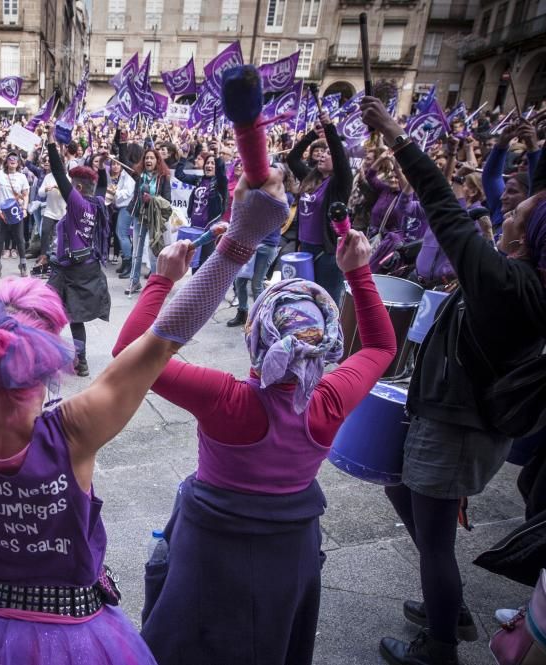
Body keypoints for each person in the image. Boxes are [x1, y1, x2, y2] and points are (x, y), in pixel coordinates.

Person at [0, 81, 216, 665]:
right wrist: (236, 245)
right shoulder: (70, 431)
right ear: (49, 352)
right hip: (67, 635)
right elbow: (160, 343)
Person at [114, 67, 396, 665]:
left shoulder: (232, 403)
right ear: (321, 347)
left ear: (254, 337)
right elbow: (379, 349)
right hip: (290, 551)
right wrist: (360, 273)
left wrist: (163, 279)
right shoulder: (327, 401)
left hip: (209, 548)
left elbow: (128, 358)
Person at [360, 96, 546, 665]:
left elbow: (442, 206)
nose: (504, 209)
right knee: (398, 484)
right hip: (456, 417)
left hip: (459, 427)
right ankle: (450, 605)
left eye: (516, 211)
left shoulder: (507, 283)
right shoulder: (517, 274)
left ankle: (441, 642)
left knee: (435, 541)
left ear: (525, 236)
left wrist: (397, 135)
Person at [43, 126, 111, 378]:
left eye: (72, 186)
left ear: (78, 190)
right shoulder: (98, 204)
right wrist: (101, 166)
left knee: (43, 309)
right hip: (88, 267)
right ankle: (81, 362)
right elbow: (102, 186)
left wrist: (51, 143)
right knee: (75, 318)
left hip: (68, 270)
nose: (67, 188)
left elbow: (58, 173)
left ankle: (39, 354)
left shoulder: (78, 203)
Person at [285, 112, 353, 304]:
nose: (323, 154)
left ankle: (330, 335)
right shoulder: (310, 177)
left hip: (327, 254)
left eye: (329, 153)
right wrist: (312, 135)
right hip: (305, 249)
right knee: (305, 300)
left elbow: (340, 156)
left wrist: (330, 128)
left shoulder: (339, 183)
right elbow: (292, 158)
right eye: (322, 151)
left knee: (326, 302)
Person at [125, 147, 172, 296]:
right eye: (146, 158)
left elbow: (168, 200)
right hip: (139, 216)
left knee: (153, 253)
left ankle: (154, 285)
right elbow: (123, 159)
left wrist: (152, 200)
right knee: (136, 252)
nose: (148, 161)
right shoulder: (139, 176)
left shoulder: (163, 177)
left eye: (151, 158)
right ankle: (134, 281)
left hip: (154, 219)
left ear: (157, 161)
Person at [0, 153, 31, 279]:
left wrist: (24, 209)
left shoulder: (22, 176)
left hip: (16, 211)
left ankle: (23, 265)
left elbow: (26, 194)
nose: (13, 161)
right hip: (1, 212)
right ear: (6, 161)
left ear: (18, 162)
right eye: (10, 159)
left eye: (15, 159)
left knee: (19, 238)